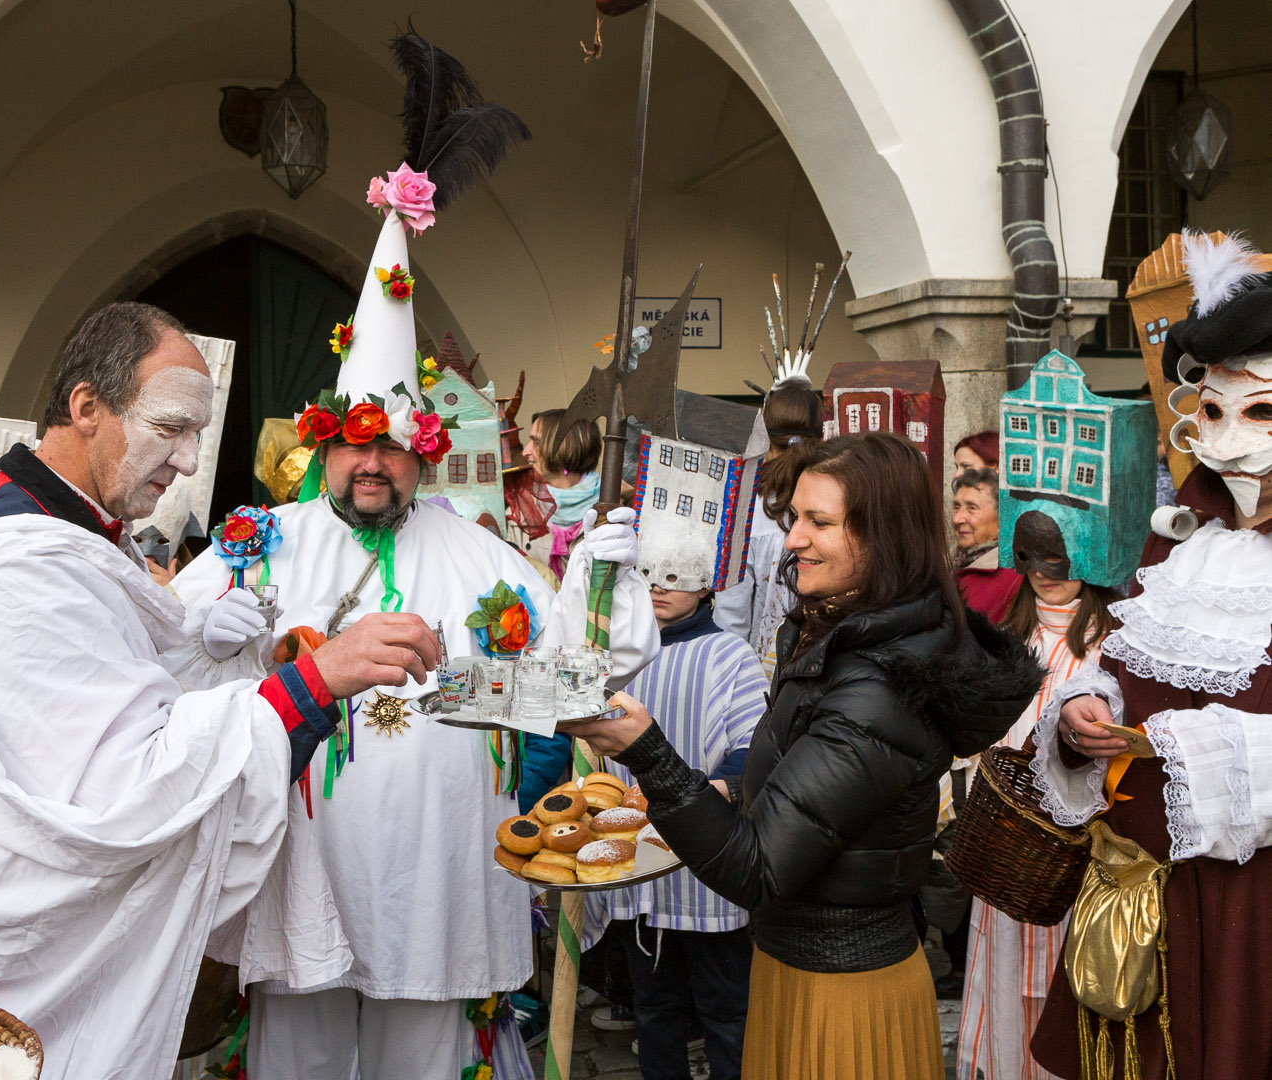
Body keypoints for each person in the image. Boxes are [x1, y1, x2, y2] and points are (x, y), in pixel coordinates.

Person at [0, 302, 439, 1080]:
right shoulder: (17, 564)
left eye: (197, 437)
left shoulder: (58, 525)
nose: (187, 461)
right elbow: (120, 791)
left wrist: (196, 649)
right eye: (172, 427)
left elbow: (87, 696)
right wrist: (315, 682)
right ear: (86, 407)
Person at [172, 83, 656, 1075]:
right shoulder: (260, 541)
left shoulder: (481, 556)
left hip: (435, 891)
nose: (372, 466)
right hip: (304, 881)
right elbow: (153, 654)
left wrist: (599, 595)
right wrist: (205, 633)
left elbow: (569, 688)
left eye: (392, 449)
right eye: (354, 448)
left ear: (424, 454)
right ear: (322, 447)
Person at [567, 433, 1041, 1080]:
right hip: (801, 968)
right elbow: (801, 796)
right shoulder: (842, 638)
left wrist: (649, 753)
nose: (792, 539)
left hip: (842, 992)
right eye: (795, 519)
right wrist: (731, 792)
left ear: (885, 540)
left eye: (820, 522)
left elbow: (757, 868)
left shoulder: (879, 688)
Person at [1029, 231, 1272, 1079]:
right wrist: (1085, 711)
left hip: (1247, 912)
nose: (1232, 439)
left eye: (1262, 411)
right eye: (1214, 410)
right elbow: (1118, 667)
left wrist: (1182, 745)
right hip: (1135, 893)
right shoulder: (1177, 551)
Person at [953, 510, 1118, 1080]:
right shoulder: (1006, 634)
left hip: (1073, 862)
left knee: (1063, 993)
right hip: (1006, 856)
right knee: (1005, 987)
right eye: (1033, 556)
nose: (1047, 573)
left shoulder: (1111, 647)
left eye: (1062, 557)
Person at [607, 582, 768, 1079]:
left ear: (705, 582)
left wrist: (712, 793)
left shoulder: (730, 654)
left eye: (677, 574)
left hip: (708, 867)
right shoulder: (617, 657)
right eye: (652, 570)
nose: (659, 585)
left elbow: (751, 745)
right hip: (639, 865)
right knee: (654, 1011)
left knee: (727, 1013)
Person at [714, 371, 825, 676]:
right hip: (826, 664)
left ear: (763, 436)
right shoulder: (837, 499)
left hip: (759, 673)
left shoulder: (745, 504)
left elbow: (731, 613)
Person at [524, 407, 602, 580]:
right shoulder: (519, 513)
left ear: (565, 445)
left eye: (536, 442)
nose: (525, 452)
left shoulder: (612, 511)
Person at [951, 468, 1022, 623]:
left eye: (972, 508)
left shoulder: (1013, 578)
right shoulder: (953, 564)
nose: (957, 519)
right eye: (956, 507)